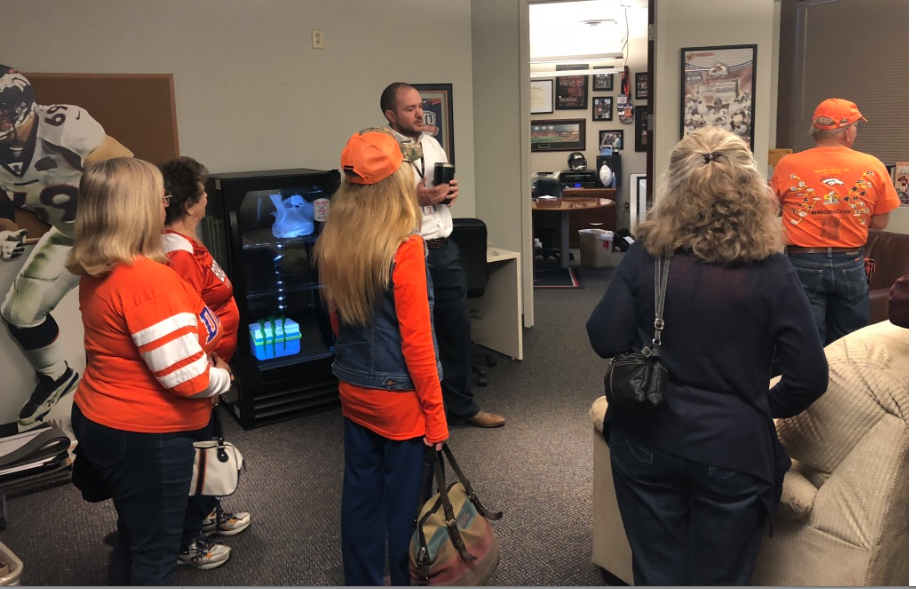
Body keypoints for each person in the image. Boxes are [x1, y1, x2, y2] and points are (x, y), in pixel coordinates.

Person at [587, 127, 829, 586]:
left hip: (644, 439)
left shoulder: (648, 255)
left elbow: (603, 337)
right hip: (733, 450)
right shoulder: (773, 270)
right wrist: (757, 408)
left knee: (658, 574)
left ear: (673, 186)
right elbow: (809, 376)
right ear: (751, 188)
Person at [66, 157, 233, 585]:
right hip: (147, 437)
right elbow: (188, 380)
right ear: (139, 207)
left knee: (135, 536)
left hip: (105, 419)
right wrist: (224, 377)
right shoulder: (146, 280)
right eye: (159, 197)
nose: (165, 204)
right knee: (155, 555)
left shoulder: (100, 266)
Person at [314, 128, 449, 585]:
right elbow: (418, 342)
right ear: (397, 180)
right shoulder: (405, 246)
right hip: (401, 398)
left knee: (359, 496)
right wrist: (436, 415)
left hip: (353, 387)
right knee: (408, 508)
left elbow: (335, 320)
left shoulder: (335, 238)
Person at [0, 65, 133, 427]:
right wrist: (6, 228)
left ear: (18, 104)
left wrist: (118, 231)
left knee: (128, 313)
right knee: (19, 313)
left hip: (113, 229)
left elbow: (126, 167)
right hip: (67, 232)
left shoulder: (62, 125)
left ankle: (133, 393)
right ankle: (56, 375)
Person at [380, 82, 505, 428]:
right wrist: (416, 200)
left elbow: (442, 186)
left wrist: (450, 193)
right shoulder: (379, 152)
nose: (419, 113)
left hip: (443, 249)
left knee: (456, 328)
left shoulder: (432, 144)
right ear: (391, 115)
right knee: (415, 336)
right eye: (410, 109)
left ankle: (462, 407)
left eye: (420, 106)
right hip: (407, 252)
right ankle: (417, 412)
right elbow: (370, 206)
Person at [159, 157, 251, 560]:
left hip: (213, 369)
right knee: (201, 452)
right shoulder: (178, 254)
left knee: (210, 447)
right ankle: (187, 539)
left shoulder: (187, 244)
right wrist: (211, 366)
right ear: (191, 202)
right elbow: (186, 320)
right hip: (204, 374)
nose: (207, 198)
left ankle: (209, 513)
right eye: (203, 191)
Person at [770, 98, 900, 345]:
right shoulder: (871, 165)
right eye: (855, 128)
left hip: (801, 261)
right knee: (850, 342)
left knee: (805, 339)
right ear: (847, 132)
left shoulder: (787, 164)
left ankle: (810, 383)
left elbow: (770, 209)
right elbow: (880, 224)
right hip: (850, 262)